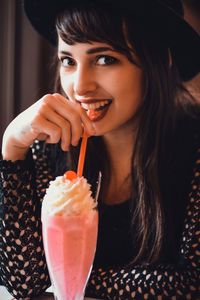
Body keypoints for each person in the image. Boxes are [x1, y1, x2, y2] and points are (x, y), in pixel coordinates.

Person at [0, 0, 200, 299]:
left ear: (162, 58)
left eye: (105, 59)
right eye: (68, 60)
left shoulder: (193, 147)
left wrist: (68, 277)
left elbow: (191, 282)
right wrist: (12, 146)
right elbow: (24, 282)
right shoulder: (50, 146)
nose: (80, 86)